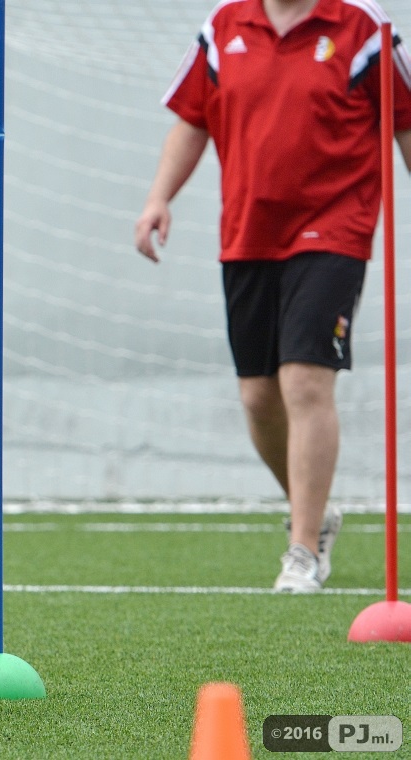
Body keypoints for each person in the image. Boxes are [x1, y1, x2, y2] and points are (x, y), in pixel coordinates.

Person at [134, 0, 411, 592]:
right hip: (248, 235)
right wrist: (159, 198)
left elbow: (406, 120)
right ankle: (316, 510)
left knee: (305, 381)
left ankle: (303, 550)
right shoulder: (223, 26)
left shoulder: (363, 27)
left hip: (334, 230)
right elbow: (192, 120)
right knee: (258, 397)